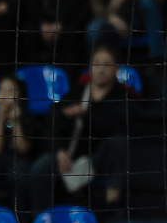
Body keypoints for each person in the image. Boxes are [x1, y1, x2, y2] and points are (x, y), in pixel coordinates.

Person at [55, 44, 133, 209]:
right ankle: (41, 215)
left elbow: (117, 126)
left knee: (119, 142)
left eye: (106, 64)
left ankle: (113, 201)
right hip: (72, 156)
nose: (100, 69)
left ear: (116, 69)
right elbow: (55, 121)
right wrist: (60, 150)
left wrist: (86, 114)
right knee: (40, 167)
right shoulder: (77, 92)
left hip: (100, 158)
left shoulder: (122, 97)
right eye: (97, 63)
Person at [0, 74, 54, 218]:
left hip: (21, 160)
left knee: (19, 178)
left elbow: (23, 149)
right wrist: (1, 119)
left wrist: (16, 122)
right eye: (1, 90)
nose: (4, 96)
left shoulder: (28, 118)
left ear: (20, 96)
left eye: (10, 91)